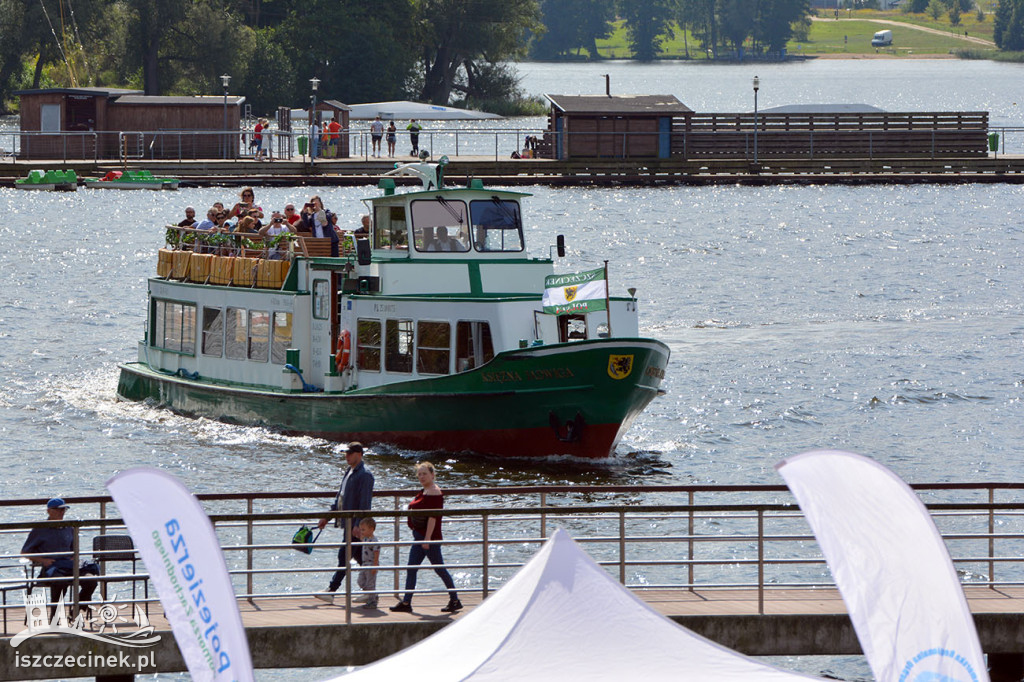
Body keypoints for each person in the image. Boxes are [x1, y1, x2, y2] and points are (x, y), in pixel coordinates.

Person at [389, 461, 463, 614]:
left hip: (428, 538)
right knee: (411, 568)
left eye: (425, 474)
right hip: (419, 536)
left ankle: (455, 600)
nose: (422, 477)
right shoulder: (425, 491)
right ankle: (406, 602)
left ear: (432, 475)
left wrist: (427, 539)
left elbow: (433, 517)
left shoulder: (434, 492)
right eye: (420, 474)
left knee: (439, 568)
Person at [315, 442, 374, 604]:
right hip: (347, 523)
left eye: (350, 453)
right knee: (358, 557)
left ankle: (332, 590)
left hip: (355, 526)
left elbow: (364, 503)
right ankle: (371, 592)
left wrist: (358, 525)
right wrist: (327, 517)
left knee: (344, 555)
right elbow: (340, 498)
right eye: (345, 453)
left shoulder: (365, 475)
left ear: (359, 454)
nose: (346, 456)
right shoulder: (349, 471)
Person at [21, 498, 98, 618]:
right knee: (60, 581)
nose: (61, 513)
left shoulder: (69, 528)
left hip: (69, 566)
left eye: (63, 510)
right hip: (51, 569)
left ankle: (77, 610)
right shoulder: (40, 529)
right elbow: (25, 552)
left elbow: (74, 550)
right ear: (49, 511)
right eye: (57, 510)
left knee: (91, 580)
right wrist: (43, 561)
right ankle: (55, 616)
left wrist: (73, 558)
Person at [353, 518, 380, 609]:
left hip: (371, 563)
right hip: (364, 563)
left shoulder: (374, 541)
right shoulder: (365, 539)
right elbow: (360, 538)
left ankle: (372, 601)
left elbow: (376, 554)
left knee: (370, 583)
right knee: (360, 581)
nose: (362, 531)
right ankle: (370, 595)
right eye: (361, 529)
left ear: (371, 529)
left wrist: (375, 566)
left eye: (363, 530)